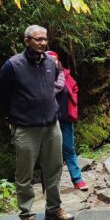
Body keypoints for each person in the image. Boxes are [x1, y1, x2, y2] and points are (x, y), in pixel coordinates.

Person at [0, 25, 74, 220]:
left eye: (44, 39)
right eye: (37, 39)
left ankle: (54, 209)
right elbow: (2, 96)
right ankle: (27, 216)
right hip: (25, 127)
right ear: (26, 41)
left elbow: (53, 90)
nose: (42, 42)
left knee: (54, 169)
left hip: (51, 125)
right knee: (25, 175)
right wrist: (11, 120)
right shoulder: (12, 65)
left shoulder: (51, 63)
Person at [48, 50, 88, 191]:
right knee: (53, 153)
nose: (52, 62)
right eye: (48, 59)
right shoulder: (41, 77)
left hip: (65, 119)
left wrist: (73, 104)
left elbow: (74, 88)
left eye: (54, 59)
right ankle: (53, 185)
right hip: (49, 121)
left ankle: (77, 180)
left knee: (69, 149)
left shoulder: (65, 75)